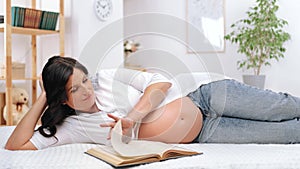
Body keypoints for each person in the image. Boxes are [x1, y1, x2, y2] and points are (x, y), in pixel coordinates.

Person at [5, 56, 300, 150]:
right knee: (288, 135)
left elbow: (160, 83)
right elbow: (15, 145)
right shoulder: (73, 128)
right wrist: (43, 96)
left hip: (205, 94)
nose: (86, 90)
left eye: (85, 80)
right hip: (203, 135)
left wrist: (132, 117)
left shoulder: (106, 77)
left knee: (283, 107)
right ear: (61, 98)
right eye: (74, 89)